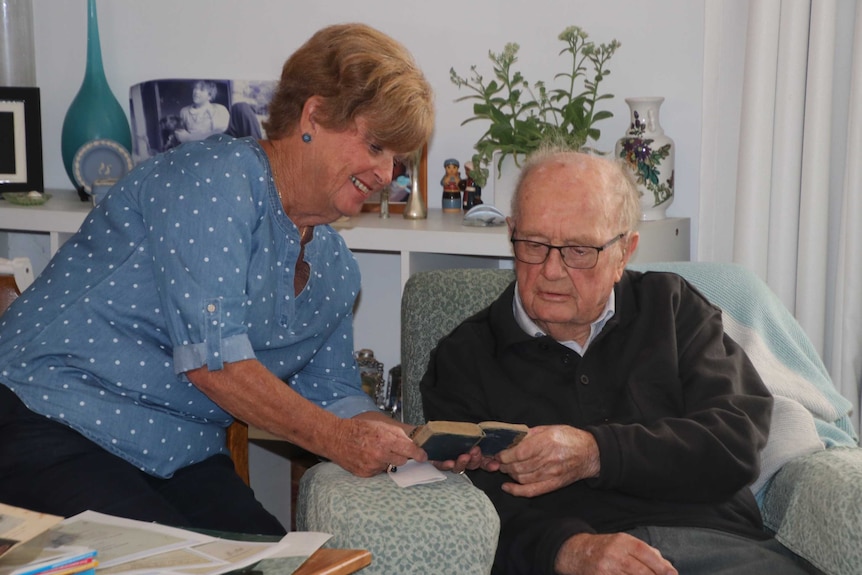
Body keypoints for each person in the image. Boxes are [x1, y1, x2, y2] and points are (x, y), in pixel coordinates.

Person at [0, 23, 432, 536]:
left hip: (175, 457)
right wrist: (339, 441)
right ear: (314, 115)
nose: (387, 174)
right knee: (166, 566)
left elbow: (333, 393)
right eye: (377, 145)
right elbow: (215, 362)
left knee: (278, 562)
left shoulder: (337, 268)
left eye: (396, 159)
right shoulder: (216, 177)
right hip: (50, 417)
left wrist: (418, 443)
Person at [420, 148, 816, 574]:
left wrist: (597, 453)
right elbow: (472, 503)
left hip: (719, 549)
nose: (552, 270)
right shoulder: (464, 356)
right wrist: (568, 549)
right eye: (533, 244)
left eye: (578, 250)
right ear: (512, 234)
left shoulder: (672, 308)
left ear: (624, 252)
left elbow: (734, 441)